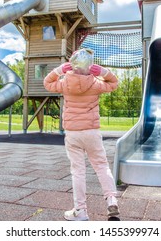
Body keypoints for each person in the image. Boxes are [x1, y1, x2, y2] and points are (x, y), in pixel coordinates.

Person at [43, 48, 120, 221]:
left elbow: (47, 83)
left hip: (73, 133)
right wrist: (103, 72)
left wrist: (59, 70)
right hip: (92, 132)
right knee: (101, 166)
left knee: (78, 171)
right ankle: (111, 201)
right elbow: (114, 83)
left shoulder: (64, 83)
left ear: (71, 64)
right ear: (90, 67)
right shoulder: (96, 84)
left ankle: (81, 211)